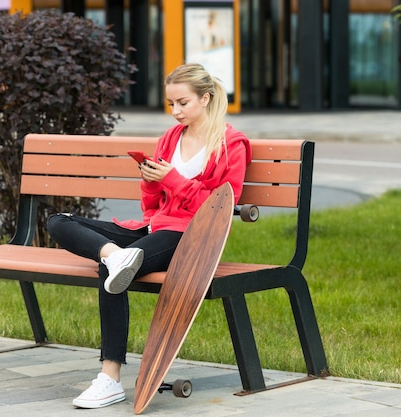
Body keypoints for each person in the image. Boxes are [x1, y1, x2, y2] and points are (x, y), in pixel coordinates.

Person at [47, 63, 252, 409]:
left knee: (110, 274)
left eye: (183, 103)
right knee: (58, 221)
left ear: (205, 98)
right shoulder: (170, 139)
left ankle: (109, 379)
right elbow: (151, 205)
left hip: (191, 237)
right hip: (153, 229)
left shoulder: (231, 144)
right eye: (170, 104)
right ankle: (113, 253)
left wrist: (171, 179)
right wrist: (149, 179)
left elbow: (219, 207)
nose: (175, 112)